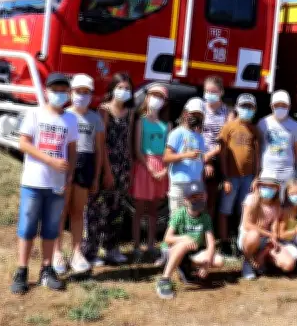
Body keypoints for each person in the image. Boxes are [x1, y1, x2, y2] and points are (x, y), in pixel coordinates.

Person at [11, 72, 79, 294]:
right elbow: (23, 143)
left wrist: (69, 175)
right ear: (46, 91)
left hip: (57, 184)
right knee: (27, 227)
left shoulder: (70, 119)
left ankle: (47, 269)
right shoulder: (34, 114)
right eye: (55, 90)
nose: (59, 94)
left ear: (68, 93)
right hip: (33, 181)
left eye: (63, 90)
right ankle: (21, 271)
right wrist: (49, 159)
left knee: (51, 228)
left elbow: (71, 148)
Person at [52, 74, 104, 276]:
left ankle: (76, 252)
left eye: (86, 92)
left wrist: (96, 176)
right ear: (70, 93)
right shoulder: (64, 115)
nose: (81, 96)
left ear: (91, 95)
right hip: (65, 165)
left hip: (86, 165)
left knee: (77, 211)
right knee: (60, 211)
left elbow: (99, 149)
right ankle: (57, 252)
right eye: (78, 91)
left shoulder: (95, 118)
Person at [83, 73, 134, 267]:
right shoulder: (103, 111)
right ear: (112, 89)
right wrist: (106, 170)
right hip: (106, 165)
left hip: (123, 167)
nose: (124, 91)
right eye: (120, 87)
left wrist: (128, 167)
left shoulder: (129, 113)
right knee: (97, 209)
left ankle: (111, 248)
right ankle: (90, 251)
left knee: (117, 209)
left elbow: (128, 141)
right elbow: (101, 143)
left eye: (127, 88)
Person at [156, 181, 223, 299]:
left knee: (218, 261)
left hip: (193, 252)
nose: (197, 200)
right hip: (173, 250)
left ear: (205, 197)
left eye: (200, 196)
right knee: (184, 244)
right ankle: (164, 280)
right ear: (186, 200)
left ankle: (185, 268)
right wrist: (183, 238)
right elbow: (167, 239)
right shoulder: (180, 214)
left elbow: (211, 243)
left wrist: (206, 264)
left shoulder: (205, 217)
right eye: (193, 197)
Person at [131, 84, 170, 264]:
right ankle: (137, 246)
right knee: (139, 209)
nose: (156, 99)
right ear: (147, 97)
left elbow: (168, 151)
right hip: (144, 166)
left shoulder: (166, 125)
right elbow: (138, 149)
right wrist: (150, 168)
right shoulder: (141, 121)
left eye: (160, 97)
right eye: (153, 95)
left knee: (154, 210)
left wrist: (164, 170)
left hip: (160, 167)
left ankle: (151, 245)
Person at [218, 94, 260, 247]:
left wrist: (256, 177)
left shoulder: (254, 130)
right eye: (243, 106)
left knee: (243, 209)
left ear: (254, 109)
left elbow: (257, 154)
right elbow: (222, 154)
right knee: (225, 209)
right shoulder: (228, 127)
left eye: (249, 107)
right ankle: (223, 241)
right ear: (236, 107)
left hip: (248, 177)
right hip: (231, 176)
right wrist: (225, 177)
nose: (246, 110)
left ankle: (239, 239)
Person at [238, 176, 292, 280]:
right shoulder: (251, 199)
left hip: (265, 240)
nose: (268, 189)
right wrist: (269, 234)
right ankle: (247, 262)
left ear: (277, 189)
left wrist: (273, 238)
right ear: (259, 186)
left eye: (272, 187)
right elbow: (247, 224)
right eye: (265, 186)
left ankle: (261, 260)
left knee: (288, 264)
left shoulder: (277, 205)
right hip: (248, 238)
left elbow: (274, 226)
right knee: (254, 235)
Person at [257, 90, 297, 199]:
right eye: (277, 105)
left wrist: (293, 165)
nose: (280, 108)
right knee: (265, 201)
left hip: (286, 171)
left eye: (284, 105)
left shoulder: (295, 126)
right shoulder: (263, 123)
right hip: (268, 169)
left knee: (284, 202)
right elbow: (258, 145)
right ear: (271, 106)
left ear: (289, 106)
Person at [163, 98, 206, 214]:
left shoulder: (200, 137)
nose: (196, 117)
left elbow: (201, 161)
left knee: (193, 219)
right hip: (179, 183)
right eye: (193, 114)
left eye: (199, 115)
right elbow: (167, 157)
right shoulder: (177, 133)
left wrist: (201, 185)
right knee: (176, 218)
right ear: (186, 113)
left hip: (195, 184)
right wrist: (186, 155)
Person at [202, 76, 230, 221]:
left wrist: (210, 157)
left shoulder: (227, 112)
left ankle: (208, 232)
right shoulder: (199, 107)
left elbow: (226, 139)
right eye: (207, 91)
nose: (210, 94)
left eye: (214, 91)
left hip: (216, 156)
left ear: (221, 92)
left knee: (211, 198)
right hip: (198, 156)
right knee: (195, 197)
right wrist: (204, 159)